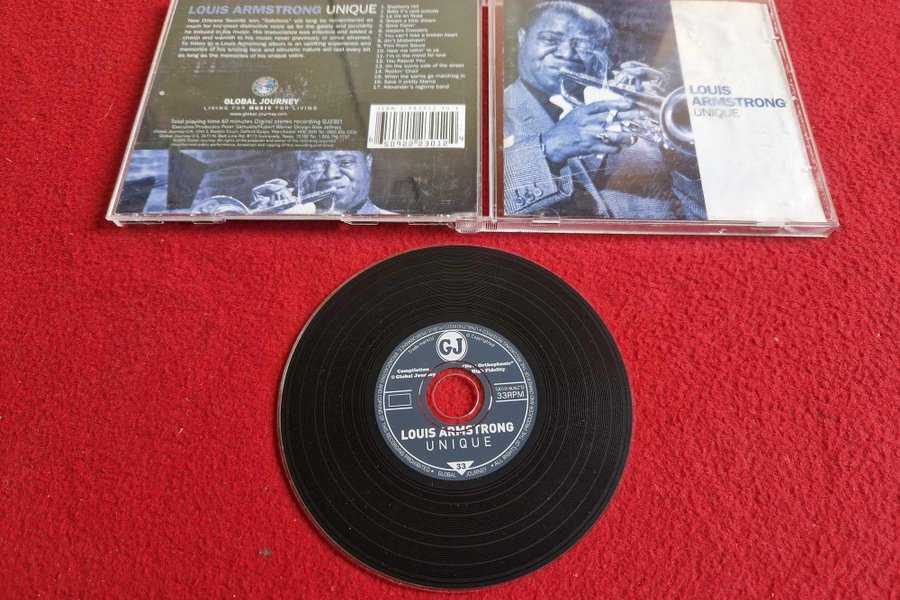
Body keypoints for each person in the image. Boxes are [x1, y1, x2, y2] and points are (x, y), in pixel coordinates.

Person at [504, 0, 706, 219]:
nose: (567, 53)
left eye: (584, 45)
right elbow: (485, 199)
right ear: (521, 37)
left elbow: (703, 218)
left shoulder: (634, 109)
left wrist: (681, 155)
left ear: (602, 51)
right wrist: (550, 148)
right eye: (551, 39)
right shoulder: (491, 113)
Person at [253, 150, 394, 215]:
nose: (330, 175)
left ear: (368, 162)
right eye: (317, 164)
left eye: (346, 162)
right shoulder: (298, 214)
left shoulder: (392, 221)